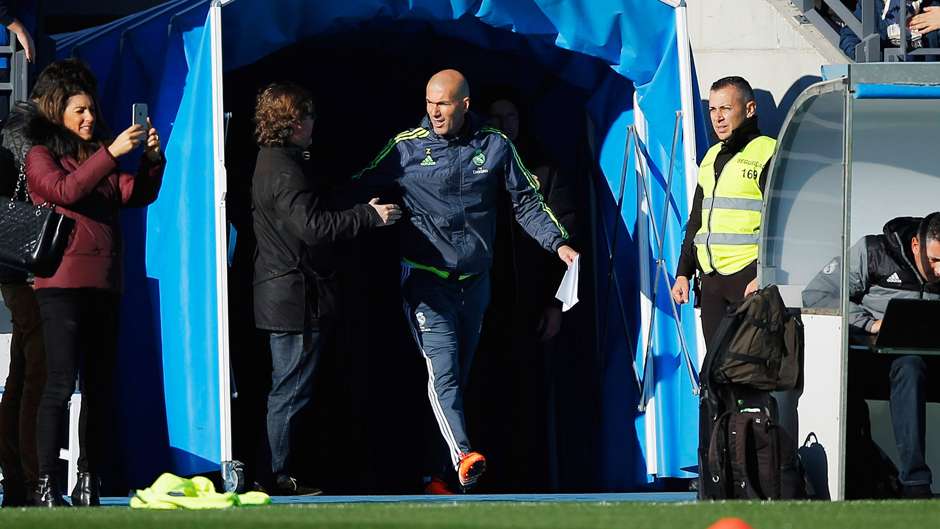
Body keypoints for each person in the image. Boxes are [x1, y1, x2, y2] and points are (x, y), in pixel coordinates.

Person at [353, 69, 578, 493]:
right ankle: (462, 456)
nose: (434, 112)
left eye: (443, 104)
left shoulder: (494, 145)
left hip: (474, 282)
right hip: (424, 279)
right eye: (429, 102)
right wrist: (364, 213)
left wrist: (558, 244)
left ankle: (435, 475)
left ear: (465, 105)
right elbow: (359, 185)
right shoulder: (407, 147)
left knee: (457, 373)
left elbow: (527, 201)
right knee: (444, 371)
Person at [23, 58, 164, 507]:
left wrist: (152, 162)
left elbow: (132, 194)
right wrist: (111, 153)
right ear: (57, 112)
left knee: (102, 386)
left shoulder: (96, 155)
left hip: (105, 283)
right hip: (61, 284)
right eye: (78, 110)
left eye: (90, 110)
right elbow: (63, 192)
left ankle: (89, 479)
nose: (88, 118)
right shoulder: (41, 154)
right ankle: (46, 483)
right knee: (60, 385)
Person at [251, 83, 401, 496]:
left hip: (289, 295)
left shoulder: (281, 162)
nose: (315, 123)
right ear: (294, 122)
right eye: (309, 116)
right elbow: (313, 228)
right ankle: (274, 476)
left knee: (291, 388)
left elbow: (316, 207)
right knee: (290, 390)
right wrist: (368, 217)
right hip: (294, 300)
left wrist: (353, 197)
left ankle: (275, 472)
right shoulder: (284, 170)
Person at [472, 96, 576, 491]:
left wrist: (555, 302)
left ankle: (530, 480)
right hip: (479, 302)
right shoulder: (474, 167)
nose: (505, 123)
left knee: (527, 394)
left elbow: (567, 236)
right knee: (480, 390)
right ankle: (477, 479)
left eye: (511, 115)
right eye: (496, 117)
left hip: (528, 304)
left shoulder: (543, 170)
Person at [802, 213, 940, 498]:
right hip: (874, 362)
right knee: (909, 367)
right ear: (915, 245)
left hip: (933, 361)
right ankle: (915, 484)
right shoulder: (874, 253)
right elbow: (817, 294)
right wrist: (870, 324)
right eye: (935, 260)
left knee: (913, 366)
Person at [671, 76, 775, 347]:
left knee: (747, 371)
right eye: (713, 110)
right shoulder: (711, 156)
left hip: (749, 278)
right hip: (712, 282)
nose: (717, 118)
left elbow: (783, 223)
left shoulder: (768, 151)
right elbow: (696, 221)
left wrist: (766, 274)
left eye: (726, 109)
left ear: (749, 109)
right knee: (714, 374)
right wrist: (683, 271)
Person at [0, 100, 46, 507]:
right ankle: (33, 482)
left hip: (12, 270)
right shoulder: (35, 138)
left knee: (21, 377)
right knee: (36, 378)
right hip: (31, 271)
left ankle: (16, 478)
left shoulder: (10, 134)